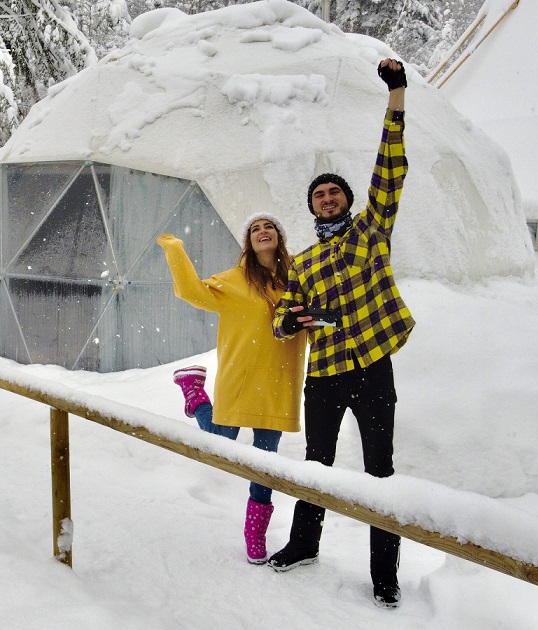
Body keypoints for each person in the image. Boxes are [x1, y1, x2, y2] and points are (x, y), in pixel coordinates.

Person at [267, 58, 414, 609]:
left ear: (347, 200)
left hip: (373, 366)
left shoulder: (372, 232)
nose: (327, 199)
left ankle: (385, 575)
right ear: (310, 207)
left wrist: (396, 96)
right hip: (324, 375)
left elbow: (390, 171)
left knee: (381, 471)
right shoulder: (302, 263)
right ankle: (304, 544)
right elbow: (283, 316)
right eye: (318, 196)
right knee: (316, 464)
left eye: (333, 193)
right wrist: (293, 320)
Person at [158, 213, 308, 564]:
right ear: (248, 242)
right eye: (255, 229)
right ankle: (195, 396)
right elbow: (191, 291)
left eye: (269, 226)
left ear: (279, 236)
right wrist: (175, 250)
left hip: (277, 383)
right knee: (222, 444)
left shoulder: (298, 279)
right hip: (239, 378)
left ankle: (254, 534)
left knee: (264, 465)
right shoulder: (236, 280)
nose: (262, 231)